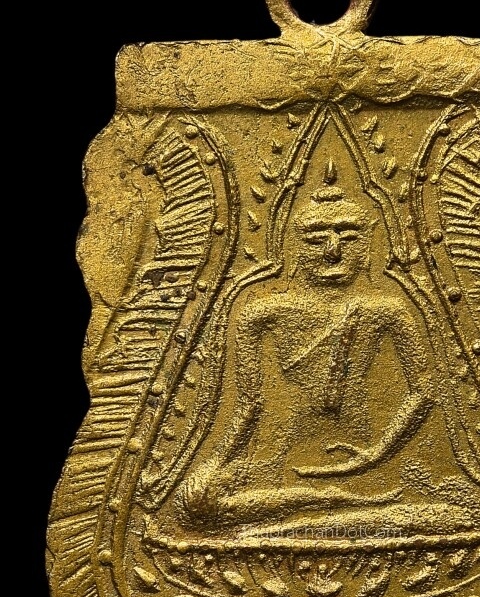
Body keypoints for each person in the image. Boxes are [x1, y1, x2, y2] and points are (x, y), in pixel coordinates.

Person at [177, 183, 434, 532]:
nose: (333, 251)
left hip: (364, 454)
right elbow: (248, 405)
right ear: (294, 248)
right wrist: (216, 462)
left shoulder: (387, 309)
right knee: (197, 503)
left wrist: (375, 455)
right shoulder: (263, 311)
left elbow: (425, 390)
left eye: (349, 238)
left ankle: (350, 502)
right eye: (316, 240)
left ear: (368, 245)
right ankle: (336, 503)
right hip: (278, 456)